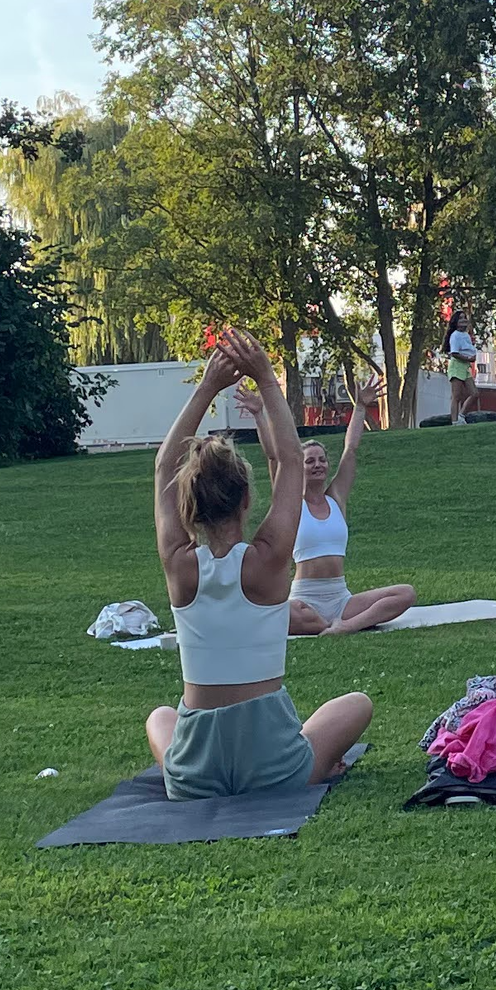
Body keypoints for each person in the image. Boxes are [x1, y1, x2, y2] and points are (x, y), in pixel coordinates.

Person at [146, 329, 371, 794]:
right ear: (247, 499)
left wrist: (208, 387)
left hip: (195, 777)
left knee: (161, 716)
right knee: (357, 703)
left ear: (188, 505)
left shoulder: (178, 565)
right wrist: (267, 378)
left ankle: (194, 763)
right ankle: (309, 756)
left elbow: (164, 465)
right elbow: (290, 460)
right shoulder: (268, 562)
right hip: (276, 771)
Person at [287, 378, 416, 636]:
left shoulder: (336, 498)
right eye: (310, 461)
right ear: (297, 468)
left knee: (406, 593)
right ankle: (324, 626)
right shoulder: (290, 503)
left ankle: (345, 627)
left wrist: (360, 407)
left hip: (341, 600)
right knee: (274, 611)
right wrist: (259, 413)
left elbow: (351, 449)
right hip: (303, 600)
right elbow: (274, 456)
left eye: (322, 460)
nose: (318, 465)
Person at [443, 303, 480, 424]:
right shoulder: (455, 336)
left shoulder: (466, 335)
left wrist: (471, 358)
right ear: (456, 322)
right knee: (456, 396)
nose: (464, 320)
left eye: (465, 318)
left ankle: (461, 415)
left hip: (465, 367)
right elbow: (454, 353)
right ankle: (454, 422)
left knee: (474, 393)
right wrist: (468, 359)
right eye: (461, 318)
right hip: (457, 366)